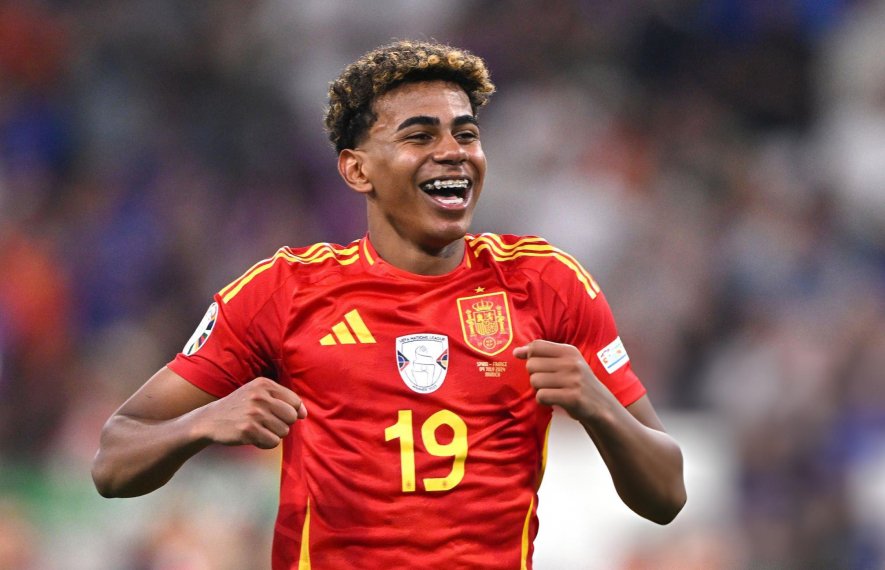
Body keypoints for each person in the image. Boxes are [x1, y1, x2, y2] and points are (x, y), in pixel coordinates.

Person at [92, 40, 686, 569]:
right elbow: (114, 459)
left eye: (466, 133)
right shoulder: (283, 291)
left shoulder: (546, 283)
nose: (453, 151)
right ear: (357, 170)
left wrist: (598, 405)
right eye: (420, 135)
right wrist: (201, 424)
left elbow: (666, 495)